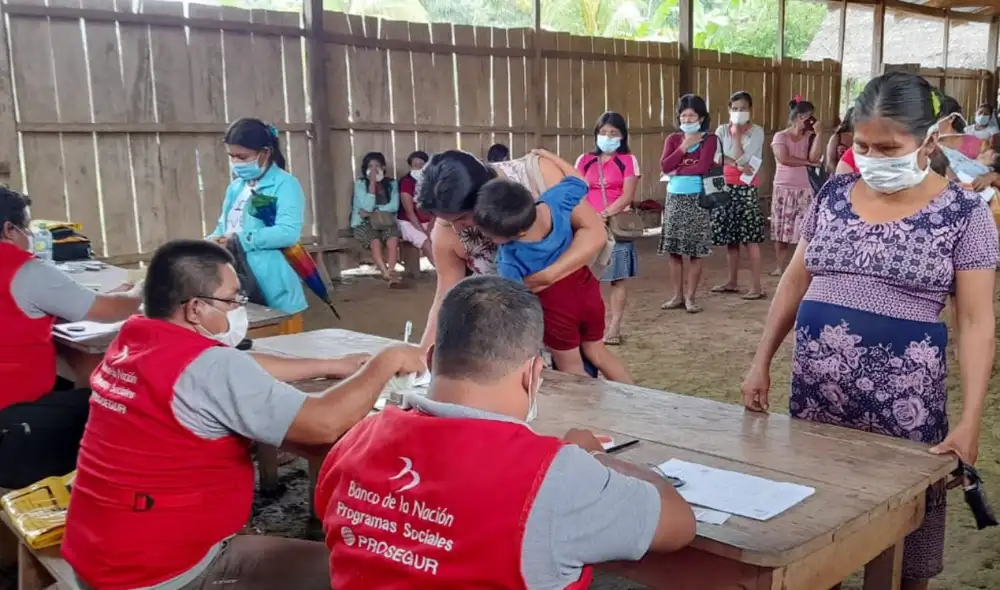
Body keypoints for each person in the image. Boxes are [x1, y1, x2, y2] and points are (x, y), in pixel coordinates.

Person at [741, 72, 997, 590]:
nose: (874, 157)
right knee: (817, 537)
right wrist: (761, 359)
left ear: (930, 136)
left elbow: (975, 322)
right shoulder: (834, 195)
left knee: (900, 555)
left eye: (888, 146)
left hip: (905, 412)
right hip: (817, 404)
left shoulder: (965, 214)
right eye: (863, 144)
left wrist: (970, 421)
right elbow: (794, 282)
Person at [62, 239, 426, 590]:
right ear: (195, 309)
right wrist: (386, 360)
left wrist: (331, 365)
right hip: (157, 571)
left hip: (96, 547)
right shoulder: (209, 368)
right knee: (359, 571)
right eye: (232, 300)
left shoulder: (134, 339)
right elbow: (324, 425)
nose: (237, 307)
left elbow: (233, 364)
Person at [315, 275, 696, 589]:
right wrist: (594, 457)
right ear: (533, 374)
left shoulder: (356, 439)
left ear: (431, 360)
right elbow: (678, 526)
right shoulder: (554, 474)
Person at [416, 149, 607, 378]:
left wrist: (547, 276)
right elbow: (445, 295)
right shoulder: (446, 231)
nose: (456, 229)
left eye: (462, 218)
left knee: (580, 388)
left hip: (569, 320)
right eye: (446, 221)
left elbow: (594, 232)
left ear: (484, 196)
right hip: (514, 351)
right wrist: (421, 356)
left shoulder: (536, 176)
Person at [0, 188, 142, 489]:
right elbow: (111, 312)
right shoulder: (25, 270)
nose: (29, 236)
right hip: (10, 419)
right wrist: (141, 291)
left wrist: (88, 300)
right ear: (9, 229)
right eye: (26, 228)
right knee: (120, 404)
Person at [474, 175, 633, 383]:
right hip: (587, 292)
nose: (492, 241)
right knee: (597, 352)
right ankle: (638, 397)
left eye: (492, 237)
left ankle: (590, 411)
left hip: (556, 313)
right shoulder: (556, 201)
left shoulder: (509, 258)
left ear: (519, 233)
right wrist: (547, 156)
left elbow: (513, 298)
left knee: (572, 369)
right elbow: (577, 182)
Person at [208, 118, 307, 314]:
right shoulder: (235, 188)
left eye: (242, 157)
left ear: (265, 153)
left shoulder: (285, 184)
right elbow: (224, 227)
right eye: (232, 156)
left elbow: (288, 232)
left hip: (272, 282)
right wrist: (211, 242)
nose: (236, 162)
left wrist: (240, 240)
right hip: (236, 279)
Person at [574, 111, 641, 345]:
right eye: (603, 132)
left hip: (615, 225)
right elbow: (576, 190)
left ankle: (614, 327)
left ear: (622, 136)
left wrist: (605, 214)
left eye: (613, 132)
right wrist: (589, 217)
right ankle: (587, 325)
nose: (608, 136)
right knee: (584, 277)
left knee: (617, 278)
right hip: (587, 226)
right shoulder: (584, 160)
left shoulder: (628, 160)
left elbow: (627, 195)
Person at [659, 93, 717, 313]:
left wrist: (678, 168)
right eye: (683, 116)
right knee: (674, 250)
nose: (687, 120)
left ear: (701, 118)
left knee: (695, 251)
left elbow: (702, 168)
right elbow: (665, 166)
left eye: (692, 116)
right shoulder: (673, 140)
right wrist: (683, 147)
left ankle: (691, 297)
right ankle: (677, 295)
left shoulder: (709, 139)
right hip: (674, 197)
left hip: (698, 198)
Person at [711, 91, 766, 300]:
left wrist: (735, 138)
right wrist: (735, 163)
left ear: (750, 110)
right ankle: (732, 281)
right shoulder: (721, 129)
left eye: (743, 108)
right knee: (730, 238)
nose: (739, 112)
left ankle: (756, 286)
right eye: (735, 108)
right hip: (726, 185)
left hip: (747, 188)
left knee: (750, 238)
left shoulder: (757, 132)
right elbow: (716, 156)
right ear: (728, 110)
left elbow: (746, 159)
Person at [769, 97, 822, 276]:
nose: (812, 120)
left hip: (805, 187)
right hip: (783, 188)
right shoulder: (780, 136)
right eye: (809, 117)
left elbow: (815, 159)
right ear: (800, 117)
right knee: (781, 229)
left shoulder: (810, 136)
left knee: (805, 229)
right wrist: (807, 162)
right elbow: (784, 159)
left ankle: (800, 266)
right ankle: (780, 266)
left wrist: (819, 135)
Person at [352, 151, 402, 286]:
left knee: (392, 239)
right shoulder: (360, 184)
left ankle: (391, 272)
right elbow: (366, 206)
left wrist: (375, 210)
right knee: (375, 241)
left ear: (383, 168)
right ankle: (385, 272)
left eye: (377, 166)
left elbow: (394, 206)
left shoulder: (392, 184)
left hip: (385, 221)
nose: (374, 169)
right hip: (364, 223)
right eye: (370, 166)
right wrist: (372, 184)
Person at [397, 150, 435, 267]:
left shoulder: (431, 182)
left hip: (429, 221)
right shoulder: (406, 182)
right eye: (415, 165)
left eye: (421, 165)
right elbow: (409, 212)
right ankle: (442, 272)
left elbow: (435, 209)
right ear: (411, 166)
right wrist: (424, 232)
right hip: (410, 222)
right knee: (426, 242)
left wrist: (430, 228)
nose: (418, 167)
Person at [827, 108, 854, 175]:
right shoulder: (837, 137)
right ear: (849, 119)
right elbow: (830, 161)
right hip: (839, 175)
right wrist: (839, 176)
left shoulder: (865, 138)